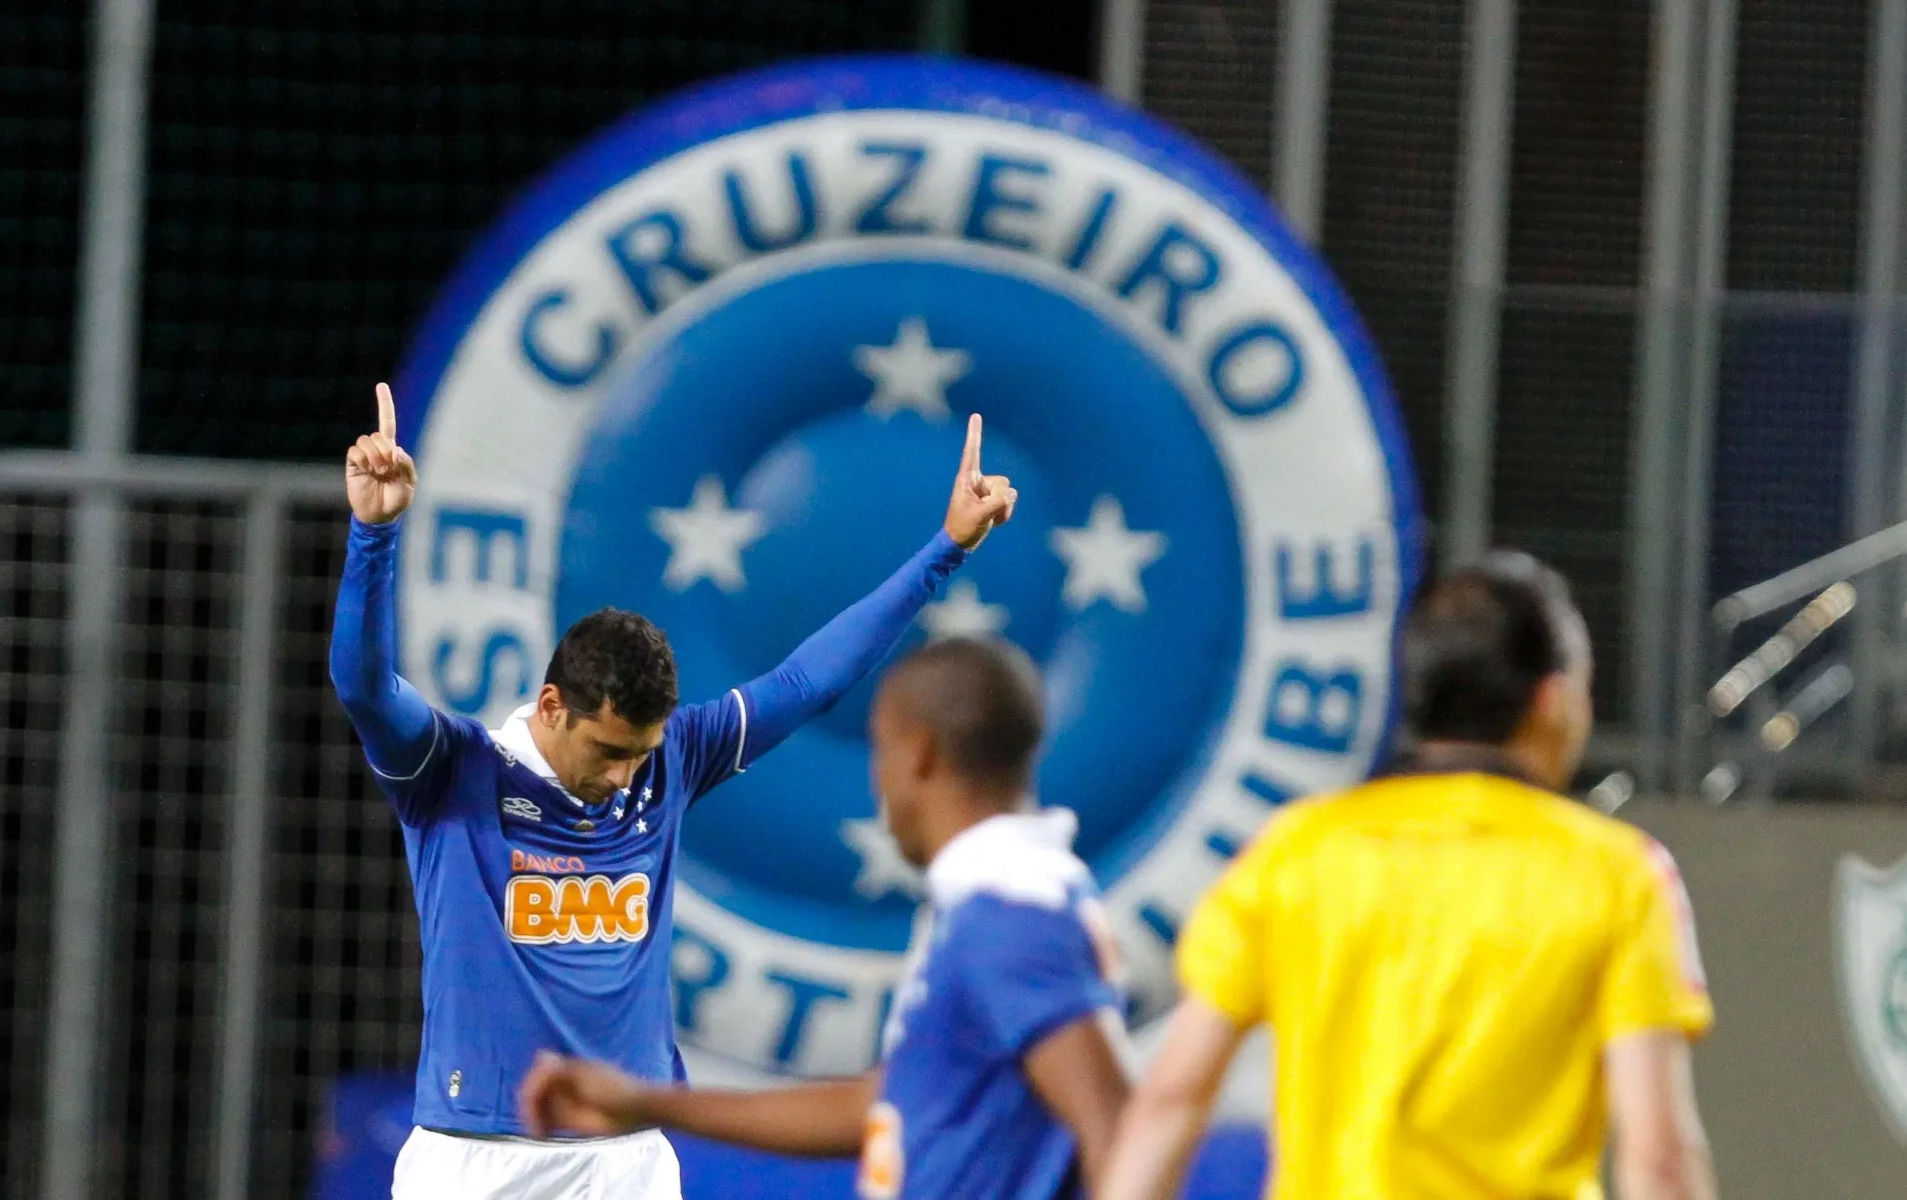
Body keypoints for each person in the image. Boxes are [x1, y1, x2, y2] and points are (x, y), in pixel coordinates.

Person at [330, 383, 1018, 1199]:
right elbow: (366, 687)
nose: (628, 775)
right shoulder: (454, 770)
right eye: (611, 750)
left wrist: (946, 548)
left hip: (628, 1161)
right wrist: (374, 535)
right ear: (553, 706)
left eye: (641, 753)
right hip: (474, 1155)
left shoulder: (673, 758)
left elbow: (809, 682)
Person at [1099, 552, 1718, 1200]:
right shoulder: (1619, 875)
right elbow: (1659, 1158)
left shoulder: (1296, 853)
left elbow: (1172, 1100)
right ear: (1554, 699)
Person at [517, 637, 1133, 1200]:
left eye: (881, 749)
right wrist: (646, 1103)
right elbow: (883, 1105)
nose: (878, 778)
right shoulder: (998, 897)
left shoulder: (1012, 910)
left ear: (918, 754)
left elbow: (1120, 1132)